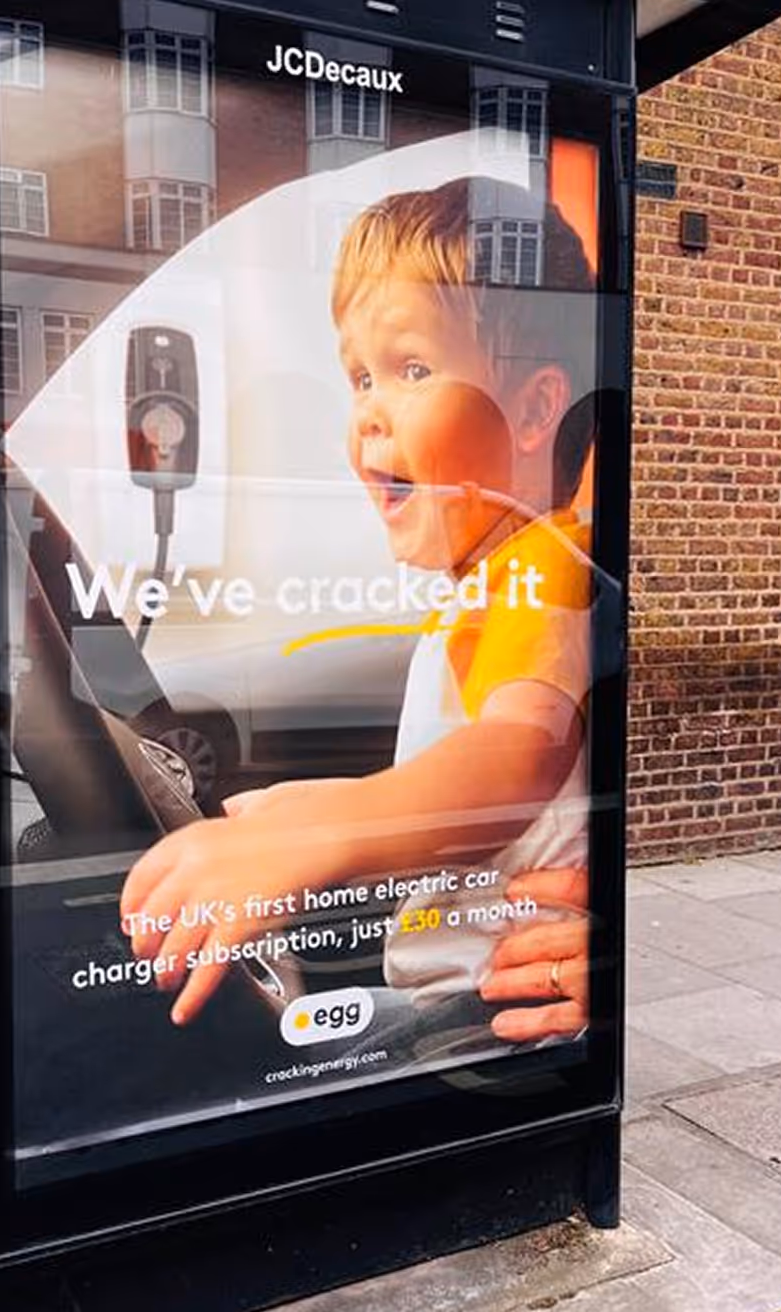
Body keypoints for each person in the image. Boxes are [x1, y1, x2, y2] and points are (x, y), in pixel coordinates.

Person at [120, 176, 596, 1047]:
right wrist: (322, 798)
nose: (370, 409)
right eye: (359, 375)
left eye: (412, 369)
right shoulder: (496, 580)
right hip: (468, 993)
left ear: (532, 410)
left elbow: (521, 751)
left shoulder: (539, 565)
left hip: (492, 1011)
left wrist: (326, 832)